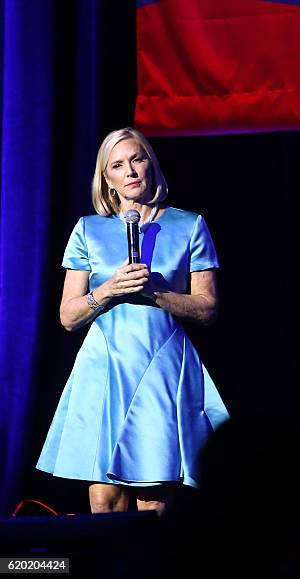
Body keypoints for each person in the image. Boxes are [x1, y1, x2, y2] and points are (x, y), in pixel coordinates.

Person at [37, 127, 228, 514]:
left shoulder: (188, 225)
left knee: (153, 496)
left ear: (151, 165)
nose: (131, 171)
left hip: (160, 363)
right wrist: (109, 289)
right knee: (104, 497)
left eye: (137, 159)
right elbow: (68, 316)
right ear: (107, 178)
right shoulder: (88, 230)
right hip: (104, 364)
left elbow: (207, 308)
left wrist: (154, 292)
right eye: (118, 165)